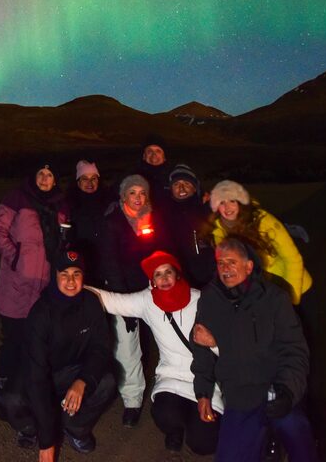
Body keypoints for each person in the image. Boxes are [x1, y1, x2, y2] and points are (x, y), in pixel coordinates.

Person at [191, 237, 317, 462]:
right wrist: (202, 393)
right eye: (221, 263)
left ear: (249, 266)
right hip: (241, 395)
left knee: (300, 440)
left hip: (277, 388)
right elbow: (201, 351)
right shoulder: (210, 299)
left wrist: (288, 391)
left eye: (232, 262)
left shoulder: (274, 298)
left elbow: (295, 350)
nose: (226, 269)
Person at [87, 250, 223, 455]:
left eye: (168, 272)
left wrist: (213, 343)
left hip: (206, 380)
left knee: (204, 444)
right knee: (164, 413)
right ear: (152, 280)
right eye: (158, 274)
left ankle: (192, 424)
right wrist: (76, 285)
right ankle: (174, 430)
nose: (164, 278)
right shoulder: (147, 301)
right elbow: (112, 301)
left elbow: (230, 344)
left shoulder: (200, 299)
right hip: (172, 378)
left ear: (177, 274)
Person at [0, 248, 117, 459]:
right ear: (55, 277)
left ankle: (75, 428)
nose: (70, 281)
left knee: (107, 381)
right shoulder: (41, 313)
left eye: (76, 274)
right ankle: (31, 428)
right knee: (10, 400)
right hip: (40, 371)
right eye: (64, 274)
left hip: (73, 371)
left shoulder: (91, 303)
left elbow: (101, 349)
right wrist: (48, 441)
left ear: (83, 276)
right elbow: (36, 377)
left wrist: (83, 381)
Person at [100, 174, 173, 426]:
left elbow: (164, 253)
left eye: (143, 192)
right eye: (133, 192)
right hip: (126, 292)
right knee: (127, 348)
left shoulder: (155, 218)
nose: (138, 197)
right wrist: (124, 300)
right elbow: (110, 262)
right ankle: (132, 400)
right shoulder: (113, 222)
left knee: (168, 339)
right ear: (123, 195)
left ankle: (173, 391)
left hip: (155, 289)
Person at [0, 164, 69, 392]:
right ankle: (6, 386)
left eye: (50, 174)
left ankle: (33, 386)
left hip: (45, 282)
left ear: (55, 179)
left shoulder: (60, 204)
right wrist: (15, 257)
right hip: (16, 283)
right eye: (41, 174)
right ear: (34, 177)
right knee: (14, 338)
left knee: (39, 339)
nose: (45, 178)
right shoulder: (17, 197)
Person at [208, 180, 313, 307]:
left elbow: (293, 259)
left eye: (232, 201)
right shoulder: (218, 233)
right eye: (222, 202)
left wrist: (290, 300)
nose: (228, 207)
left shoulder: (262, 221)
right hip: (261, 295)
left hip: (294, 288)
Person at [155, 163, 217, 288]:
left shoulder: (210, 208)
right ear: (171, 189)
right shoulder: (163, 215)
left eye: (187, 184)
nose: (182, 188)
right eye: (177, 184)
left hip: (212, 278)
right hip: (181, 280)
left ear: (195, 188)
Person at [67, 160, 113, 281]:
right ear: (78, 182)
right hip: (82, 263)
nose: (90, 183)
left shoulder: (109, 202)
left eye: (93, 178)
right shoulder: (69, 205)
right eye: (84, 179)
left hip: (107, 262)